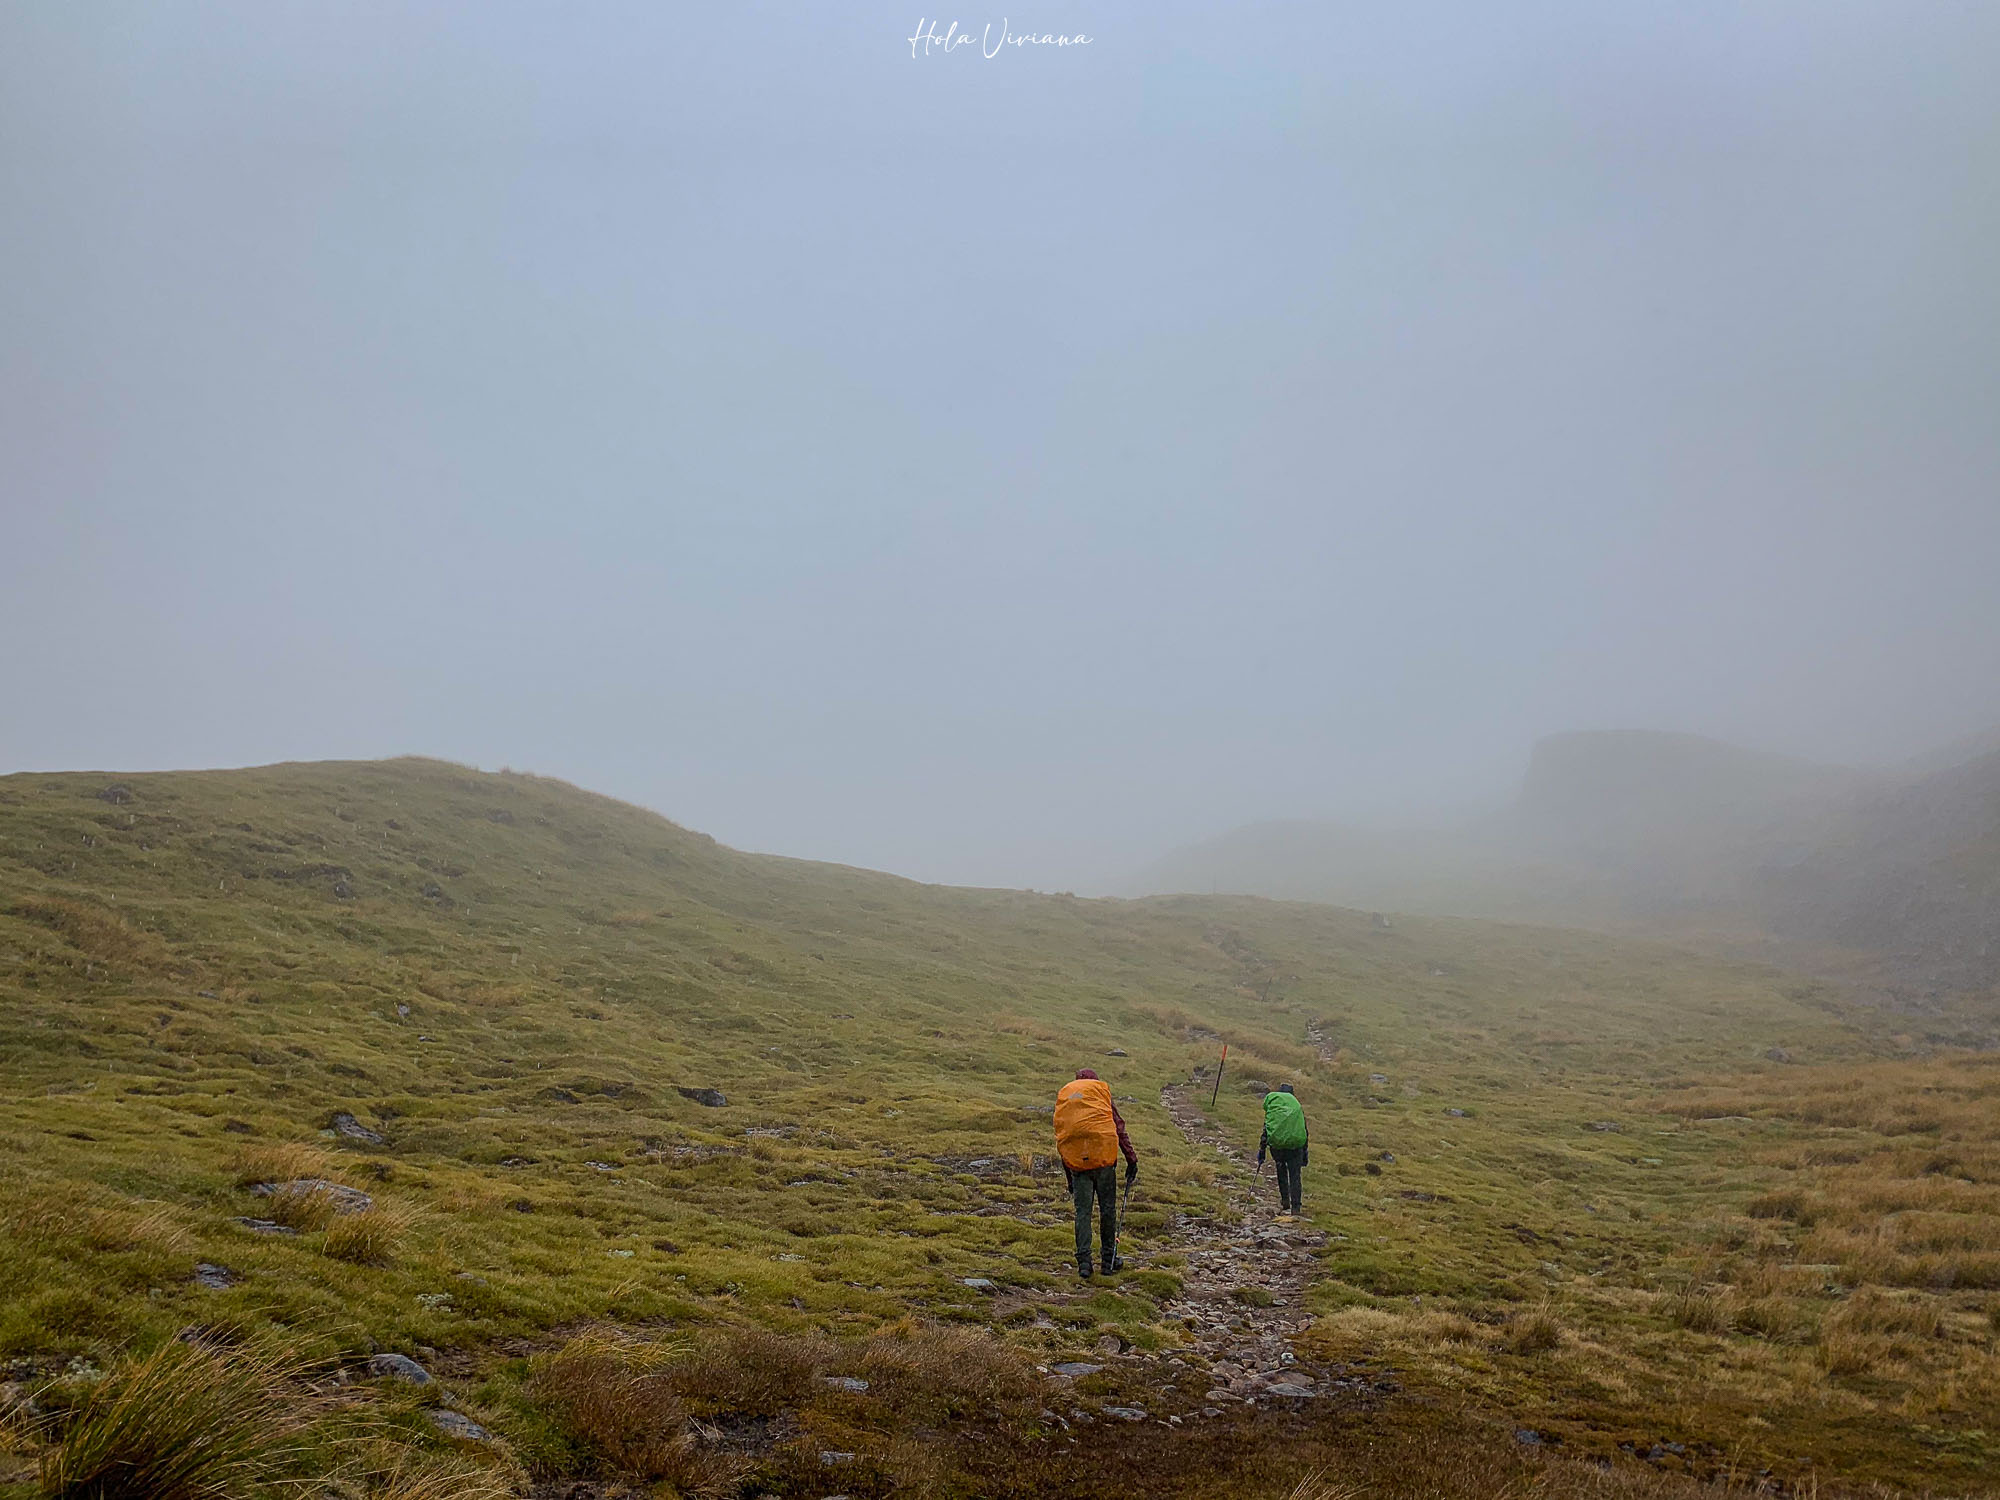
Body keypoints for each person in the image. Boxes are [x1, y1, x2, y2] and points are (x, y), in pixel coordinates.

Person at [1052, 1067, 1139, 1278]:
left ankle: (1084, 1263)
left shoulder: (1069, 1103)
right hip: (1104, 1162)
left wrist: (1070, 1177)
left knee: (1083, 1212)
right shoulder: (1101, 1097)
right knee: (1107, 1210)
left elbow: (1065, 1139)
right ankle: (1108, 1261)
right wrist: (1131, 1159)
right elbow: (1118, 1128)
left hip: (1078, 1166)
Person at [1257, 1083, 1308, 1219]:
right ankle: (1296, 1207)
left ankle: (1285, 1202)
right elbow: (1304, 1130)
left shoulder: (1275, 1108)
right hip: (1295, 1147)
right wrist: (1305, 1152)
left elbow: (1267, 1129)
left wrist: (1262, 1150)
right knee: (1295, 1175)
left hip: (1277, 1146)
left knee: (1281, 1171)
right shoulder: (1296, 1108)